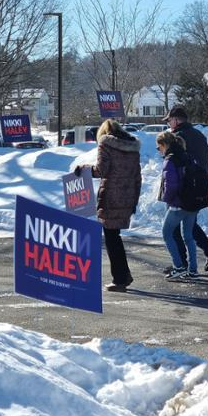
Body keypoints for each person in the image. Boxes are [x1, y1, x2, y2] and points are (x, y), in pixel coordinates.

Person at [75, 119, 141, 292]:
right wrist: (134, 200)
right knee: (115, 237)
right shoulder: (133, 147)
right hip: (127, 196)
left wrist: (84, 168)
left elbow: (101, 170)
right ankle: (123, 275)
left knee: (112, 239)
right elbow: (137, 177)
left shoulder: (105, 144)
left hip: (111, 197)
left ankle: (120, 279)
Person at [162, 106, 208, 272]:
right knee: (189, 224)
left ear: (177, 119)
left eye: (169, 120)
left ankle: (181, 263)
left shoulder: (177, 137)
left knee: (173, 228)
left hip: (181, 188)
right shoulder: (199, 135)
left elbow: (176, 163)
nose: (168, 123)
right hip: (199, 187)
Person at [156, 131, 198, 279]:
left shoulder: (170, 160)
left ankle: (178, 266)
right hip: (192, 202)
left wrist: (167, 199)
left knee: (166, 233)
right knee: (189, 236)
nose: (159, 150)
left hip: (178, 204)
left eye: (158, 147)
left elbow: (171, 185)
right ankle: (193, 270)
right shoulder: (187, 156)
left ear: (164, 144)